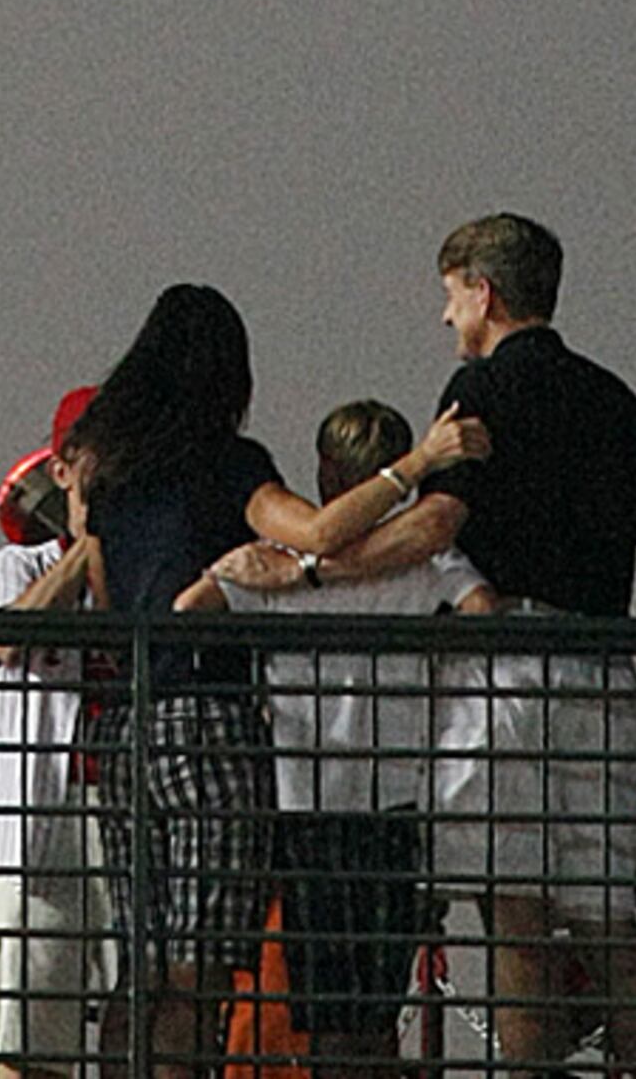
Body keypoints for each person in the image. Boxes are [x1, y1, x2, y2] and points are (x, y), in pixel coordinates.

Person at [394, 215, 636, 1079]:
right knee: (611, 929)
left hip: (508, 678)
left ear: (483, 292)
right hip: (602, 679)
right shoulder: (615, 400)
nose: (447, 319)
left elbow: (437, 524)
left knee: (516, 922)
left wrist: (321, 563)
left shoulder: (477, 396)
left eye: (452, 297)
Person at [3, 285, 278, 1079]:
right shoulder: (231, 465)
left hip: (124, 727)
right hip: (209, 719)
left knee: (143, 959)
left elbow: (108, 595)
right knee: (200, 964)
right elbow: (307, 529)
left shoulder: (117, 477)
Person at [197, 397, 481, 1079]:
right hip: (393, 807)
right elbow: (483, 612)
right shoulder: (428, 566)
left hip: (306, 807)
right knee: (378, 1014)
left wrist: (246, 563)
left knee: (323, 1013)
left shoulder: (281, 563)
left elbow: (189, 608)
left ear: (326, 471)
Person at [0, 403, 104, 1079]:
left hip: (127, 820)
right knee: (23, 1047)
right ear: (62, 471)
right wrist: (86, 551)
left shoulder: (152, 568)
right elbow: (2, 636)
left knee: (142, 1027)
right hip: (34, 831)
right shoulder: (14, 565)